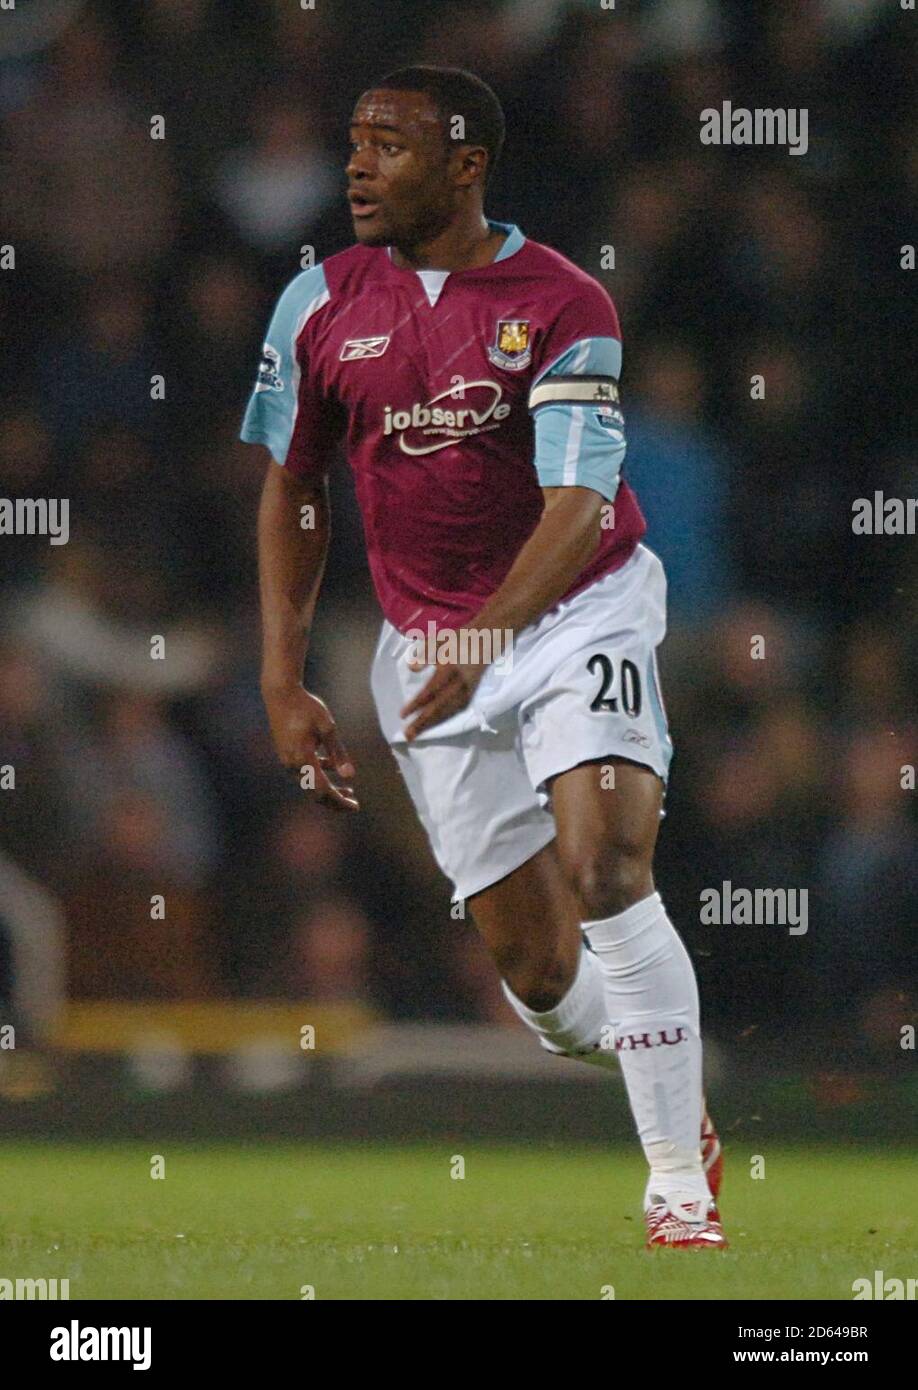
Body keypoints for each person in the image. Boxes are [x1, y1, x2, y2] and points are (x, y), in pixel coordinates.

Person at [242, 65, 725, 1249]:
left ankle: (677, 1184)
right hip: (425, 651)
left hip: (576, 613)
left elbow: (578, 501)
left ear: (466, 165)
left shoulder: (561, 302)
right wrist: (281, 671)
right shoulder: (317, 301)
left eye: (388, 147)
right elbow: (295, 486)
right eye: (353, 142)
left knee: (608, 865)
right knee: (547, 983)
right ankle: (671, 1079)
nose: (356, 166)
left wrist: (494, 632)